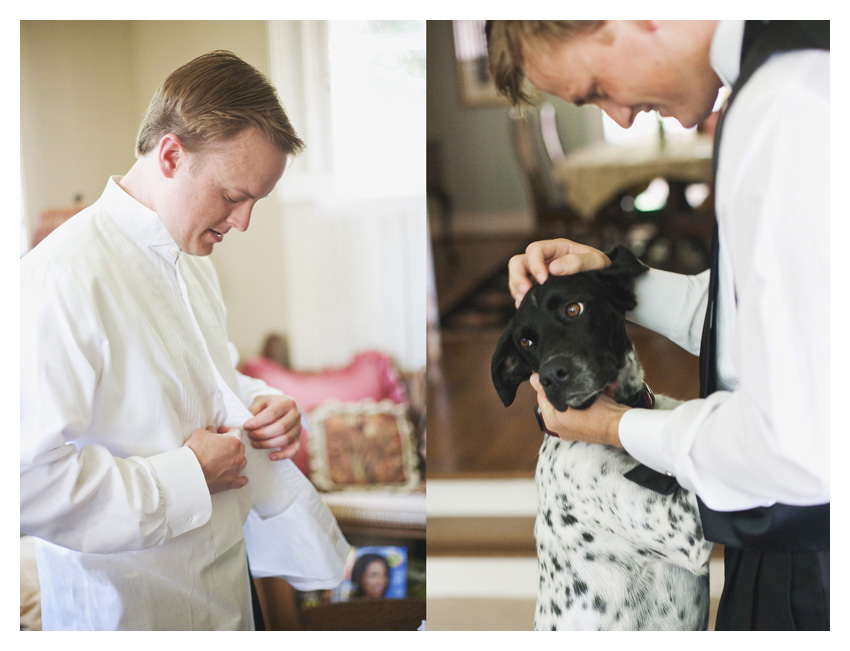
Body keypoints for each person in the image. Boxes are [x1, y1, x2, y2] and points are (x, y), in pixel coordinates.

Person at [486, 20, 829, 630]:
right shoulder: (789, 74)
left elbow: (793, 444)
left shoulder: (788, 102)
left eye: (596, 89)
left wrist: (619, 426)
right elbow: (760, 323)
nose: (618, 121)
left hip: (816, 558)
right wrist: (615, 280)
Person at [20, 50, 349, 630]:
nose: (243, 222)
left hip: (222, 594)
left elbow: (205, 377)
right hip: (125, 615)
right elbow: (25, 482)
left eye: (255, 201)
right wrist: (187, 477)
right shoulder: (60, 278)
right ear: (171, 154)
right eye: (233, 196)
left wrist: (260, 404)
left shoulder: (191, 257)